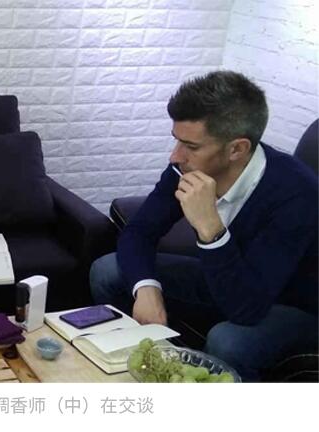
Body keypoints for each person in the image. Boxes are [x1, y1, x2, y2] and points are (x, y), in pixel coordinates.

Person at [89, 71, 318, 381]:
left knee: (229, 340)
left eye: (191, 146)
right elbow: (139, 232)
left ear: (237, 149)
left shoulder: (298, 195)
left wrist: (210, 228)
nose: (175, 156)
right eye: (177, 140)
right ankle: (140, 372)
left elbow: (247, 307)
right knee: (108, 270)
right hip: (228, 281)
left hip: (290, 305)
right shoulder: (185, 168)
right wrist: (147, 289)